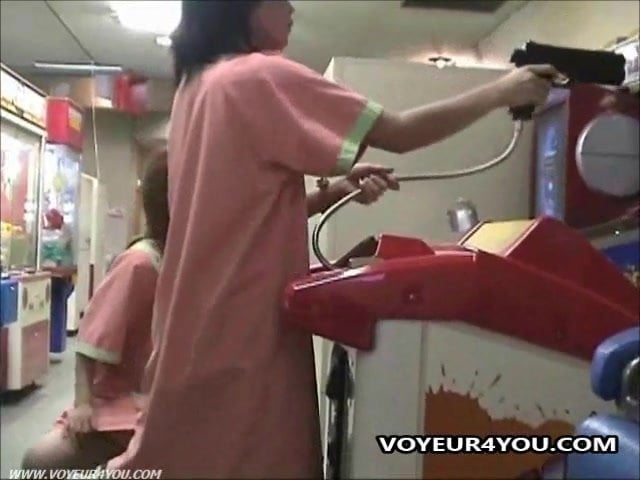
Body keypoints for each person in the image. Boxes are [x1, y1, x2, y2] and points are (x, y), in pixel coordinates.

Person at [107, 1, 557, 478]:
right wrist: (502, 91)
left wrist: (333, 191)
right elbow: (400, 132)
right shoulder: (258, 76)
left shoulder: (196, 90)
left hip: (195, 327)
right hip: (246, 334)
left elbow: (235, 218)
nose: (291, 7)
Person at [21, 151, 169, 471]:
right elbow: (90, 342)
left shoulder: (179, 261)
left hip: (162, 402)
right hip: (124, 404)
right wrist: (83, 403)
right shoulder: (140, 264)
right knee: (39, 462)